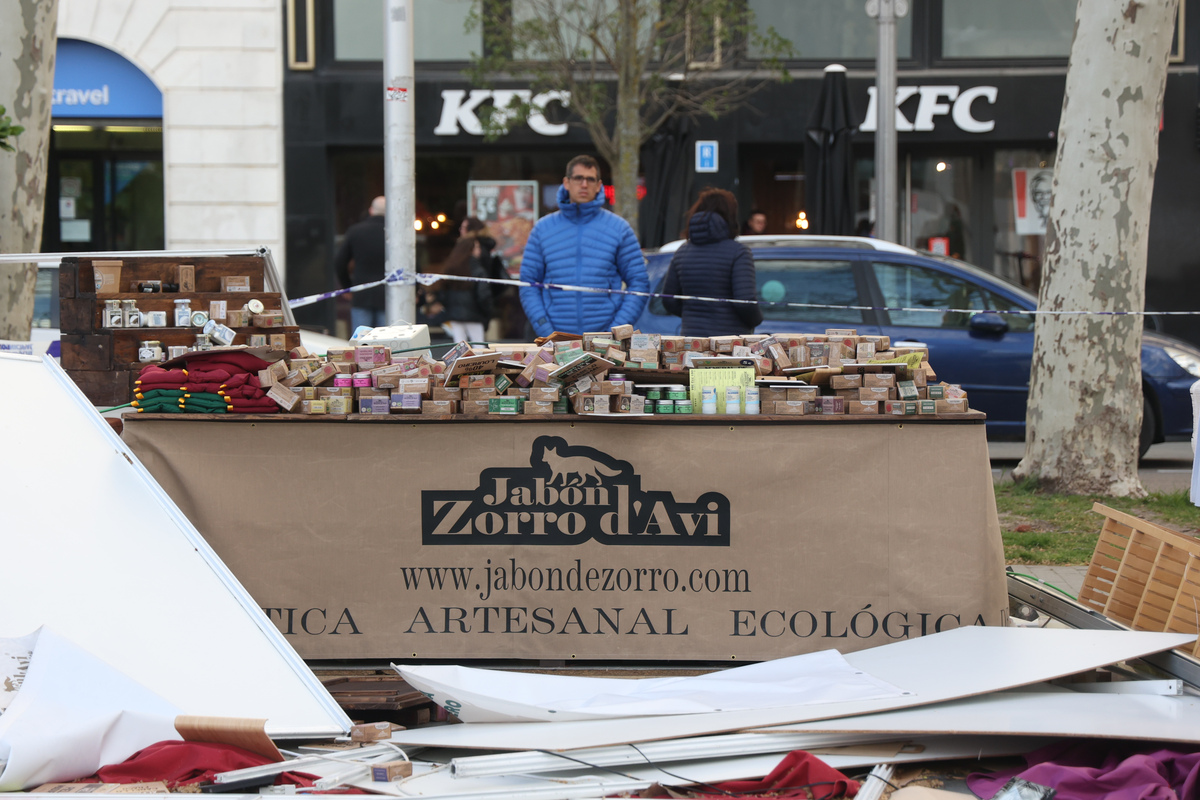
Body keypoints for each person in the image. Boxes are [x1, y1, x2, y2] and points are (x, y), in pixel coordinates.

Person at [519, 155, 649, 337]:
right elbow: (528, 284)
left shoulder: (619, 229)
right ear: (566, 182)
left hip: (605, 341)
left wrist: (615, 331)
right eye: (578, 178)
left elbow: (639, 283)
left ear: (598, 185)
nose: (584, 184)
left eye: (590, 179)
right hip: (555, 339)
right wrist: (545, 329)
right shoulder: (543, 229)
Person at [662, 188, 763, 336]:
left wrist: (694, 317)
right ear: (730, 216)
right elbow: (745, 302)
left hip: (692, 340)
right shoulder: (738, 252)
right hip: (729, 344)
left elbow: (669, 300)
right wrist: (756, 320)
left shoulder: (683, 251)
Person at [431, 218, 497, 343]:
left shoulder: (454, 266)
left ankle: (459, 363)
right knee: (478, 346)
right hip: (474, 313)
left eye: (463, 228)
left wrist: (446, 305)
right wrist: (487, 312)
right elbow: (484, 294)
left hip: (456, 313)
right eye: (476, 248)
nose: (460, 230)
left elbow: (444, 290)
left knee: (460, 347)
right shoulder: (477, 269)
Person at [334, 196, 387, 330]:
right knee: (387, 343)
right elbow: (413, 264)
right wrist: (415, 290)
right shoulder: (395, 233)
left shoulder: (356, 231)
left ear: (371, 210)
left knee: (362, 345)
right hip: (388, 296)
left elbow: (340, 263)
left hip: (361, 295)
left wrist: (347, 287)